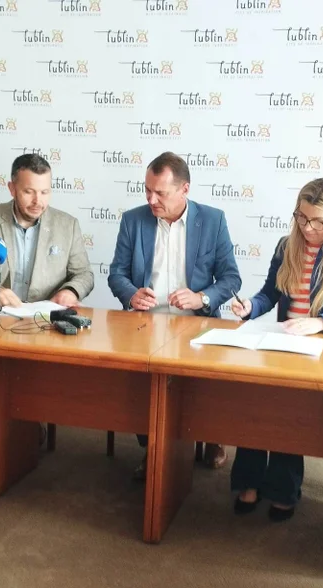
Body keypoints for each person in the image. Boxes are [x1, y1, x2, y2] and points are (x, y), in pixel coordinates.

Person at [229, 178, 323, 521]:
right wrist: (250, 307)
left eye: (317, 221)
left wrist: (322, 322)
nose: (307, 228)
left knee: (288, 409)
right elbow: (270, 293)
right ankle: (249, 481)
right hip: (283, 341)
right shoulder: (287, 245)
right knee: (254, 400)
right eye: (301, 217)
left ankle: (283, 490)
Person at [108, 151, 242, 479]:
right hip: (145, 322)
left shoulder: (213, 220)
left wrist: (201, 297)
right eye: (147, 190)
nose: (151, 200)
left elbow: (231, 279)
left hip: (197, 322)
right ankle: (153, 447)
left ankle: (211, 436)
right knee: (136, 382)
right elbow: (116, 274)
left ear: (184, 190)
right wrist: (131, 293)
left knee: (208, 381)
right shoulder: (133, 220)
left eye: (161, 193)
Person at [0, 153, 94, 307]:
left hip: (47, 318)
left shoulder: (68, 225)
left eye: (44, 192)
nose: (37, 201)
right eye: (29, 192)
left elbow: (84, 274)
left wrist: (71, 291)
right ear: (12, 189)